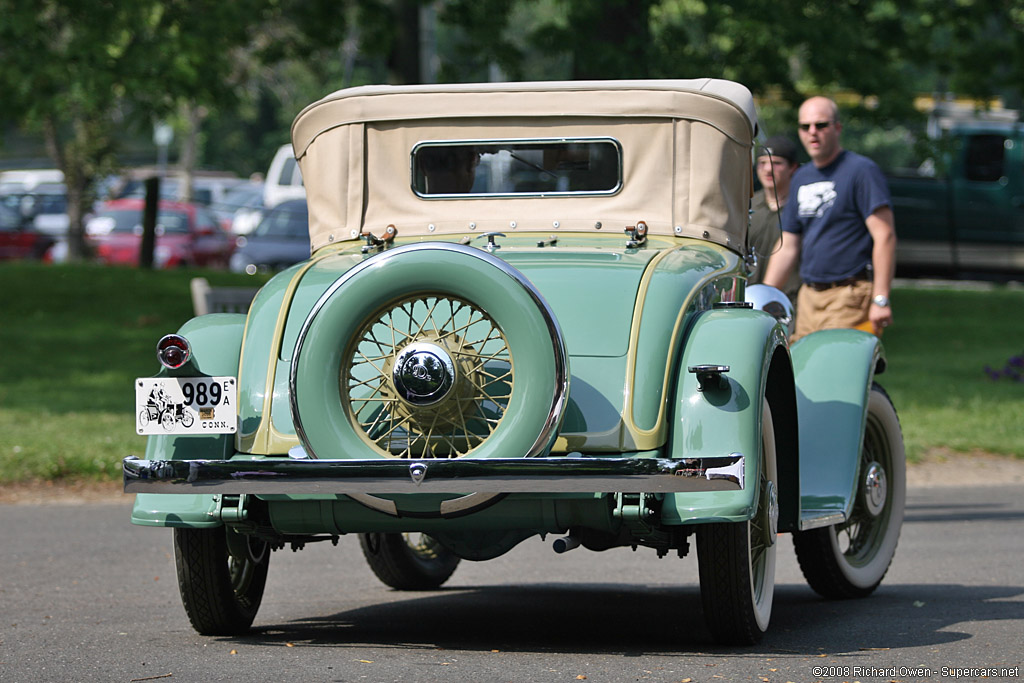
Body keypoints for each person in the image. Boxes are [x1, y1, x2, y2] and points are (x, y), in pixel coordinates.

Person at [763, 96, 896, 340]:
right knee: (801, 370)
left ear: (837, 128)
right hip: (809, 297)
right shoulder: (801, 177)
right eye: (805, 126)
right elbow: (788, 246)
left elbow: (884, 235)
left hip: (849, 295)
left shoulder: (861, 171)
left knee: (834, 369)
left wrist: (880, 298)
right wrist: (765, 297)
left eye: (821, 125)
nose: (812, 133)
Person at [748, 135, 801, 300]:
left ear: (793, 167)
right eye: (762, 163)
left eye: (776, 163)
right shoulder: (746, 205)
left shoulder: (803, 207)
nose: (768, 169)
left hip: (791, 302)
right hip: (749, 299)